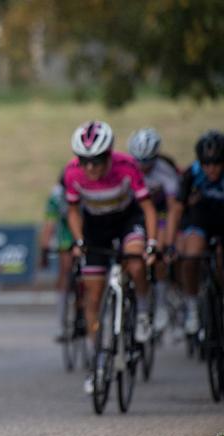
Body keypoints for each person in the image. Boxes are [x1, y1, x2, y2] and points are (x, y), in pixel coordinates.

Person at [63, 120, 157, 395]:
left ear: (110, 155)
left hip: (127, 220)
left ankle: (141, 313)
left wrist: (152, 244)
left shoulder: (127, 167)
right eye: (85, 161)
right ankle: (98, 361)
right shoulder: (72, 174)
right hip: (95, 226)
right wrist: (79, 241)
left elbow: (149, 208)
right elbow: (71, 211)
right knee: (92, 295)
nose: (90, 168)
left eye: (97, 161)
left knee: (137, 263)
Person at [165, 130, 224, 337]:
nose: (211, 169)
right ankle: (192, 306)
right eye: (206, 164)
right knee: (190, 258)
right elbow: (176, 210)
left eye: (217, 163)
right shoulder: (191, 174)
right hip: (199, 221)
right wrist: (171, 244)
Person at [127, 128, 181, 333]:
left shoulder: (165, 170)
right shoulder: (127, 167)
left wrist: (167, 241)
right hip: (135, 215)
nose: (143, 166)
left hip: (160, 215)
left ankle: (160, 305)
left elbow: (174, 207)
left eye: (148, 161)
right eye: (139, 160)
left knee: (157, 252)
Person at [39, 171, 75, 342]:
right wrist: (44, 249)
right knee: (65, 271)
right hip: (66, 235)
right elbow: (49, 225)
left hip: (87, 231)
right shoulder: (56, 196)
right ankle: (62, 323)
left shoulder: (87, 187)